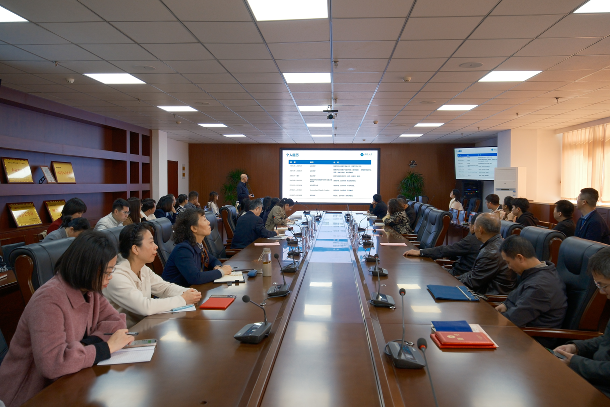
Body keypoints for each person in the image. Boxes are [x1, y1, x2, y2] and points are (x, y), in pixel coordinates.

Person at [0, 232, 133, 407]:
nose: (111, 277)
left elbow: (116, 322)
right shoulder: (48, 299)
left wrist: (84, 347)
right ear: (87, 268)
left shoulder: (90, 291)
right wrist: (106, 347)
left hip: (70, 381)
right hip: (30, 394)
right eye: (107, 272)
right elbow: (52, 363)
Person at [103, 223, 201, 327]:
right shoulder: (116, 277)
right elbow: (145, 307)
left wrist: (189, 292)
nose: (156, 246)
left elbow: (164, 288)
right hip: (121, 332)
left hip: (143, 326)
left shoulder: (143, 269)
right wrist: (183, 299)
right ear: (135, 249)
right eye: (151, 242)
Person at [554, 247, 610, 397]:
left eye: (603, 285)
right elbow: (606, 340)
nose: (601, 291)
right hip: (595, 379)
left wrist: (576, 363)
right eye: (598, 285)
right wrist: (576, 347)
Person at [495, 236, 567, 347]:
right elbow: (516, 298)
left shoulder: (539, 286)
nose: (509, 267)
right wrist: (505, 305)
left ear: (520, 258)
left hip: (532, 343)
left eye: (508, 262)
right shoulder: (538, 272)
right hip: (520, 333)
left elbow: (513, 320)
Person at [162, 208, 233, 287]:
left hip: (192, 290)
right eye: (204, 220)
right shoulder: (183, 250)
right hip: (176, 293)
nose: (209, 222)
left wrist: (218, 267)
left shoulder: (197, 245)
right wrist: (221, 271)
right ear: (194, 228)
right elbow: (195, 278)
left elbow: (213, 260)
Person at [456, 214, 517, 295]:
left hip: (489, 298)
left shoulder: (491, 252)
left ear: (480, 229)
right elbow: (474, 274)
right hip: (484, 291)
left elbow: (473, 282)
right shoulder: (497, 243)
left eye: (475, 226)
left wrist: (452, 282)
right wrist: (455, 278)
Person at [404, 213, 482, 277]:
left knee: (423, 273)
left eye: (469, 224)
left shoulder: (471, 240)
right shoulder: (487, 241)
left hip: (458, 277)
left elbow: (446, 250)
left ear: (473, 227)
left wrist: (420, 252)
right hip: (467, 276)